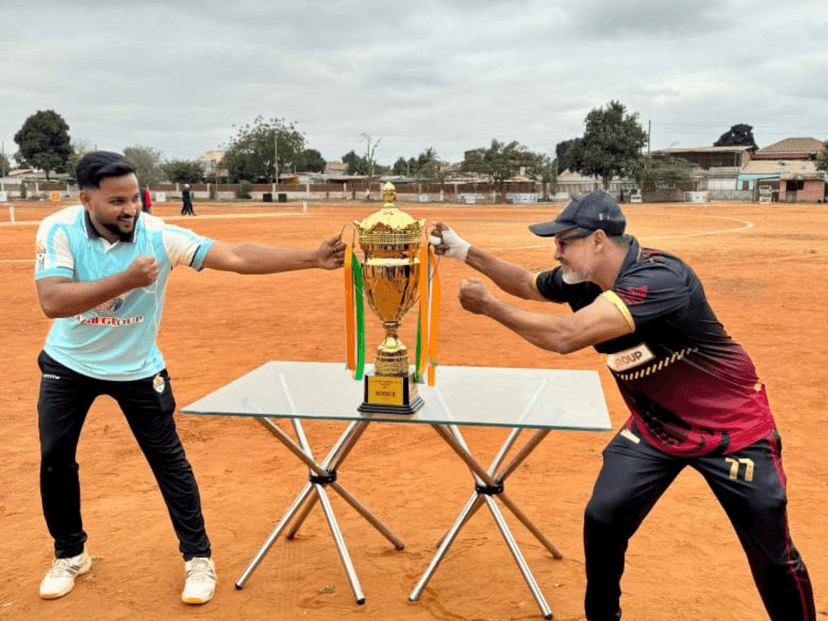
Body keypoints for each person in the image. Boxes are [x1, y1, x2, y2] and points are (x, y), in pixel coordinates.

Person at [429, 191, 815, 621]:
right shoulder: (584, 277)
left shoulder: (659, 277)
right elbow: (525, 283)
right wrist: (462, 250)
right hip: (655, 426)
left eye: (563, 242)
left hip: (730, 428)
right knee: (604, 518)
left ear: (597, 240)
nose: (555, 251)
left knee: (773, 557)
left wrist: (490, 307)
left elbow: (566, 336)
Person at [34, 151, 346, 605]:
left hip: (138, 368)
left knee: (170, 463)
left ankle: (198, 559)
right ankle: (70, 554)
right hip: (69, 364)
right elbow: (53, 302)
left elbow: (236, 255)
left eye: (135, 198)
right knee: (55, 460)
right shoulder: (58, 229)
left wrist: (310, 259)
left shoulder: (157, 235)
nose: (130, 209)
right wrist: (125, 279)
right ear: (86, 200)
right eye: (116, 201)